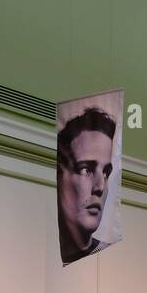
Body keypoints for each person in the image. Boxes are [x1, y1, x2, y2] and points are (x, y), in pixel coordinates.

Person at [57, 106, 116, 264]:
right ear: (60, 175)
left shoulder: (112, 258)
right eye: (86, 170)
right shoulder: (36, 251)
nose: (100, 187)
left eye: (106, 173)